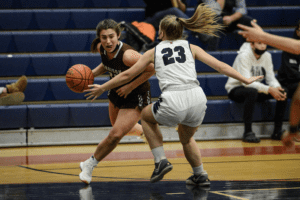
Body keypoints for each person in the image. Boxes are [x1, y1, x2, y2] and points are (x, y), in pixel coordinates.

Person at [84, 4, 262, 185]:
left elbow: (128, 74)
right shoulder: (192, 47)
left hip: (174, 98)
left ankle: (160, 160)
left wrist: (102, 87)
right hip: (198, 99)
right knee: (186, 138)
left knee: (145, 116)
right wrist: (245, 79)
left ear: (161, 33)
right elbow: (220, 66)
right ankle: (200, 174)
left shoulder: (154, 51)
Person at [79, 19, 155, 184]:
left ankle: (89, 164)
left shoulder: (128, 55)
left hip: (136, 94)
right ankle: (145, 131)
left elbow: (151, 68)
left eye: (111, 36)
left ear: (118, 35)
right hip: (117, 89)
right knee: (117, 127)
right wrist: (87, 76)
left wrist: (130, 86)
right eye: (104, 37)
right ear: (99, 38)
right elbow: (106, 65)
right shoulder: (102, 48)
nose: (108, 41)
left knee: (115, 135)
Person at [225, 42, 288, 142]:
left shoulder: (267, 56)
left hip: (254, 89)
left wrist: (277, 88)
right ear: (252, 45)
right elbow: (247, 82)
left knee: (283, 92)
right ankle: (248, 132)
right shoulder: (243, 56)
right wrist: (269, 89)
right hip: (236, 88)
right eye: (259, 43)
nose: (263, 46)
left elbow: (271, 78)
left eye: (264, 43)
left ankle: (277, 131)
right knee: (252, 92)